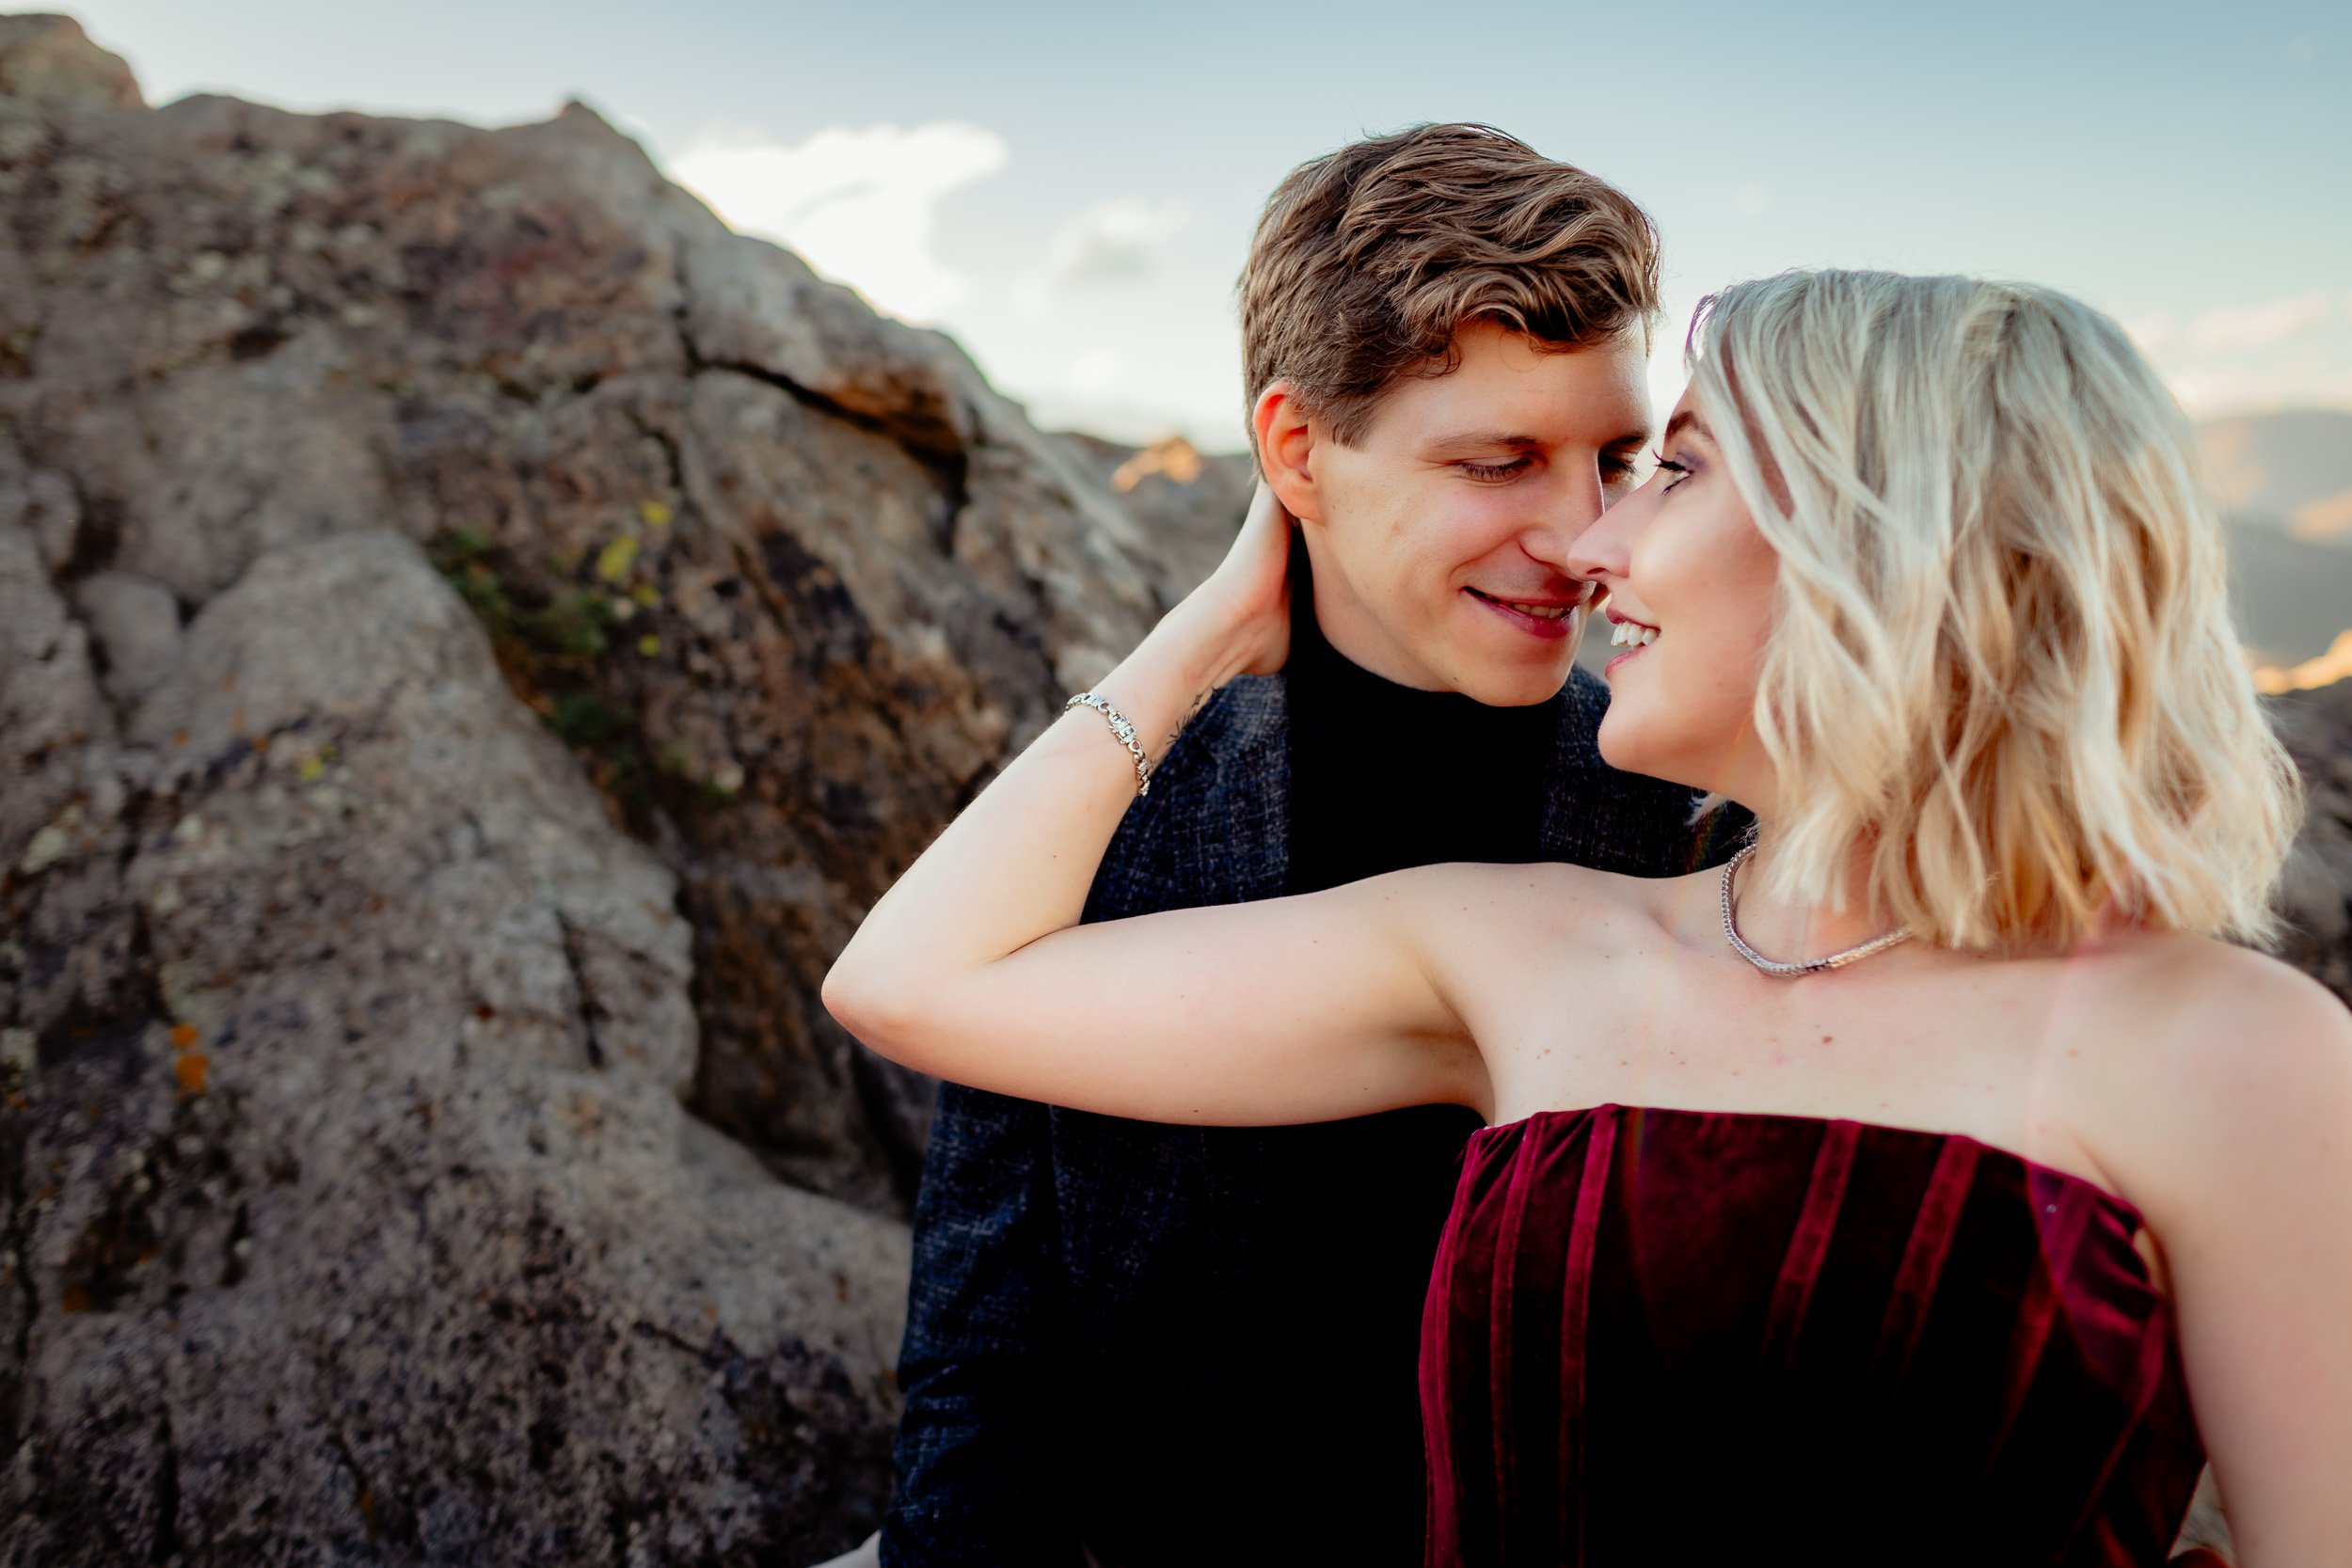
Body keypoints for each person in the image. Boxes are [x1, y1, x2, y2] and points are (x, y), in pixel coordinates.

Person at [826, 269, 2352, 1566]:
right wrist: (1210, 629)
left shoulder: (2242, 1057)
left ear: (1893, 541)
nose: (1592, 545)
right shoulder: (1519, 948)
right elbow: (916, 981)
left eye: (1669, 468)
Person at [859, 124, 1740, 1568]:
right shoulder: (1097, 826)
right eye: (1500, 458)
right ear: (1297, 453)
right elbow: (987, 1368)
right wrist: (1200, 638)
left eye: (1616, 459)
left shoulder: (1701, 826)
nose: (1585, 535)